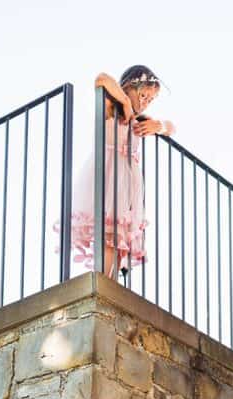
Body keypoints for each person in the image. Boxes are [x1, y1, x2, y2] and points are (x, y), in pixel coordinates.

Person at [69, 64, 175, 276]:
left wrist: (158, 126)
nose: (145, 102)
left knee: (120, 237)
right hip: (109, 173)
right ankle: (102, 279)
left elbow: (171, 127)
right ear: (128, 87)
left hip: (128, 182)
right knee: (109, 232)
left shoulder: (140, 121)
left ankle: (111, 280)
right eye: (143, 95)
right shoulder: (112, 108)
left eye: (150, 99)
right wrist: (125, 102)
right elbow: (101, 78)